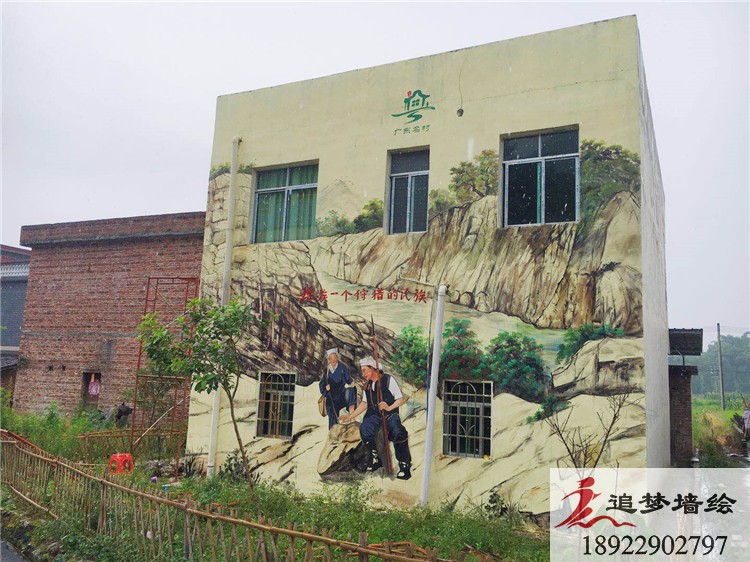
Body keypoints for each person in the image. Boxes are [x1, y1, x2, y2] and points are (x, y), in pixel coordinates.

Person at [340, 356, 412, 480]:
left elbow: (400, 399)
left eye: (365, 370)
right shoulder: (367, 385)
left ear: (373, 368)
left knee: (398, 431)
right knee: (365, 428)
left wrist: (388, 407)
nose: (363, 374)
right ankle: (376, 457)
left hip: (390, 414)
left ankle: (404, 465)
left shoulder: (388, 380)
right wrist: (351, 416)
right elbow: (364, 403)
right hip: (374, 415)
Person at [319, 348, 356, 429]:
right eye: (331, 358)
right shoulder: (327, 370)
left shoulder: (342, 368)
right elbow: (322, 384)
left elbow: (349, 380)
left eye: (334, 357)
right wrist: (326, 389)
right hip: (331, 398)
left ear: (337, 358)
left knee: (351, 391)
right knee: (333, 422)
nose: (333, 360)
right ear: (329, 360)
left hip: (340, 397)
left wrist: (351, 383)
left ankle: (352, 417)